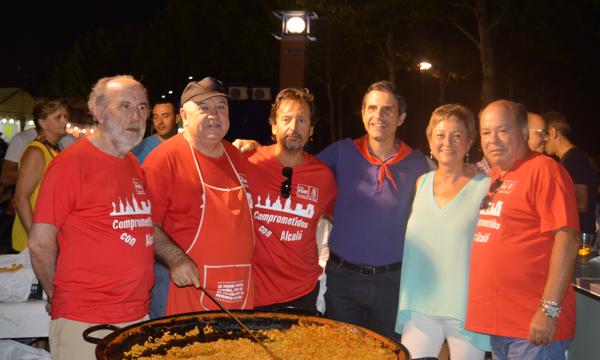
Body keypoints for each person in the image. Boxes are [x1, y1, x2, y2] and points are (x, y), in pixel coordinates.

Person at [28, 75, 154, 360]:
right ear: (97, 111)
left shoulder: (134, 165)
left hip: (136, 315)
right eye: (125, 106)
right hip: (85, 322)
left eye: (143, 107)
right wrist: (56, 295)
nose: (136, 116)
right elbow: (40, 243)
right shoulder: (71, 164)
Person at [466, 100, 579, 359]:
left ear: (524, 132)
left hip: (532, 329)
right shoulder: (499, 175)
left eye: (502, 130)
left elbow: (567, 238)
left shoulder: (544, 170)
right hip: (502, 327)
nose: (492, 139)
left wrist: (549, 310)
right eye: (486, 132)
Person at [318, 81, 429, 340]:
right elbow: (297, 165)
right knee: (342, 354)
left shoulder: (418, 164)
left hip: (391, 283)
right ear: (363, 112)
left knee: (387, 352)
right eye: (372, 108)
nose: (378, 116)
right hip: (342, 280)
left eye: (387, 110)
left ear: (400, 117)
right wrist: (255, 147)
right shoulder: (341, 152)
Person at [143, 76, 254, 315]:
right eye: (203, 108)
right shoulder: (164, 159)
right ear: (184, 115)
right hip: (183, 292)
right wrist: (176, 259)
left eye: (221, 107)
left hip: (238, 291)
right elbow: (146, 225)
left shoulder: (236, 156)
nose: (214, 115)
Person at [396, 104, 491, 359]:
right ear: (429, 139)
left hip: (465, 308)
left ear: (469, 141)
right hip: (419, 305)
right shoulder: (421, 182)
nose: (447, 142)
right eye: (440, 134)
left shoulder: (487, 186)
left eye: (457, 135)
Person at [245, 88, 336, 312]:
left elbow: (340, 223)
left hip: (302, 293)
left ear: (311, 130)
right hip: (254, 294)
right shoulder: (247, 162)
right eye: (286, 119)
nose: (293, 128)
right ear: (273, 125)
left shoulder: (324, 176)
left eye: (302, 120)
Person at [130, 100, 179, 319]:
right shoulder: (140, 148)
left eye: (166, 115)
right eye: (156, 117)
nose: (160, 121)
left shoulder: (186, 146)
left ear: (177, 117)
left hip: (178, 231)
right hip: (150, 231)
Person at [12, 99, 68, 252]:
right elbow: (20, 198)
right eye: (58, 117)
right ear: (42, 123)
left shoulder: (56, 150)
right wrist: (36, 239)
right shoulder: (36, 152)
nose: (64, 121)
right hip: (33, 242)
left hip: (49, 236)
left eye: (65, 116)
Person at [543, 111, 598, 240]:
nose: (541, 140)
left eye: (543, 135)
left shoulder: (573, 159)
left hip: (580, 236)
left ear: (552, 132)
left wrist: (547, 209)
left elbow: (582, 203)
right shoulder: (568, 159)